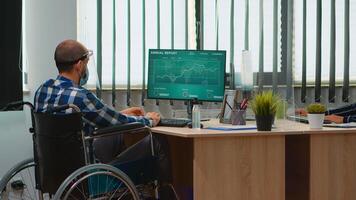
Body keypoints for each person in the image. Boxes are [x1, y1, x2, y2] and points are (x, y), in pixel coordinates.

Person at [34, 39, 176, 199]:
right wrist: (149, 120)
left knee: (118, 133)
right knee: (157, 140)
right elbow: (118, 123)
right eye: (86, 63)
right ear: (79, 65)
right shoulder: (81, 96)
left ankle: (123, 193)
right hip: (87, 176)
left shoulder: (43, 90)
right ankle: (161, 194)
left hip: (54, 173)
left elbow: (93, 119)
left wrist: (123, 114)